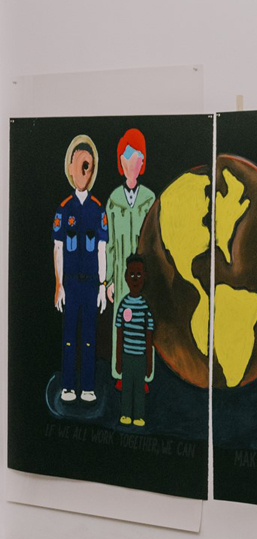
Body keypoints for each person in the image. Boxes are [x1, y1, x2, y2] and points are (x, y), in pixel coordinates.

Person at [53, 134, 109, 403]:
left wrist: (102, 285)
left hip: (90, 284)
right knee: (68, 336)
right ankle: (67, 386)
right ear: (70, 168)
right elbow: (58, 248)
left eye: (88, 165)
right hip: (71, 283)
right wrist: (58, 285)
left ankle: (87, 387)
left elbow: (102, 249)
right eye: (79, 165)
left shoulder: (98, 210)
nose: (83, 171)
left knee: (89, 336)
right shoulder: (64, 209)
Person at [106, 128, 156, 384]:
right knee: (121, 322)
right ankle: (121, 374)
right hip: (121, 271)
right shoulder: (113, 200)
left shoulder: (150, 199)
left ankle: (145, 375)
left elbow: (155, 242)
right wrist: (108, 280)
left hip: (143, 274)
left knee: (144, 322)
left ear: (142, 161)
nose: (131, 161)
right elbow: (110, 244)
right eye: (126, 156)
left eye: (136, 155)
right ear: (120, 162)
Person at [114, 254, 154, 427]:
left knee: (139, 389)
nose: (135, 279)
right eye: (132, 275)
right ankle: (125, 414)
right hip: (127, 356)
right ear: (125, 277)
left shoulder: (145, 307)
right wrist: (118, 359)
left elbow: (149, 336)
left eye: (138, 275)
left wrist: (149, 362)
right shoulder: (123, 305)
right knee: (127, 388)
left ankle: (139, 416)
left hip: (140, 357)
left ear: (144, 276)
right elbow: (119, 333)